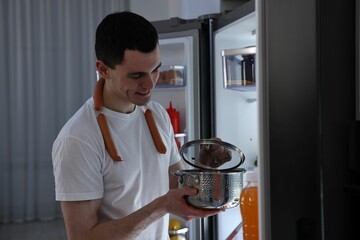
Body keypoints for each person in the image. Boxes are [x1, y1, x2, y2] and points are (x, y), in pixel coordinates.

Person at [52, 11, 225, 240]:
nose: (149, 83)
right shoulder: (78, 139)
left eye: (155, 70)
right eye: (136, 75)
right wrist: (162, 206)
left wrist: (205, 164)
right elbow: (83, 237)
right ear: (103, 70)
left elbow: (179, 188)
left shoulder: (158, 115)